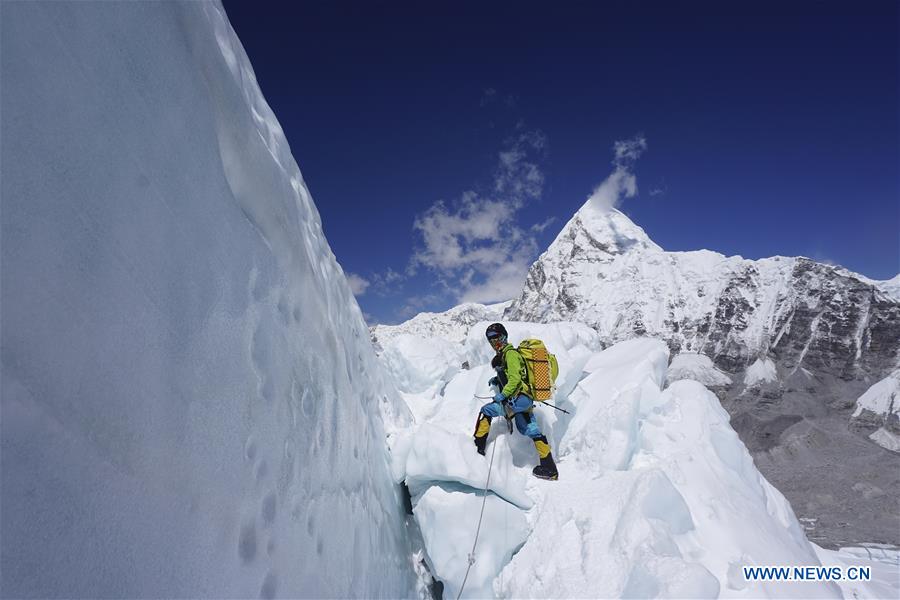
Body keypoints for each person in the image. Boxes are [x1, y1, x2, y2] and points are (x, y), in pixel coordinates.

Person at [473, 323, 559, 480]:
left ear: (504, 336)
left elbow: (515, 379)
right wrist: (497, 380)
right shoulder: (507, 354)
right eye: (491, 340)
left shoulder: (511, 354)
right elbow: (513, 376)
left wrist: (502, 395)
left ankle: (477, 450)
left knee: (486, 411)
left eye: (497, 337)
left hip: (517, 399)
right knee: (529, 429)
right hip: (524, 400)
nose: (494, 342)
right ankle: (550, 468)